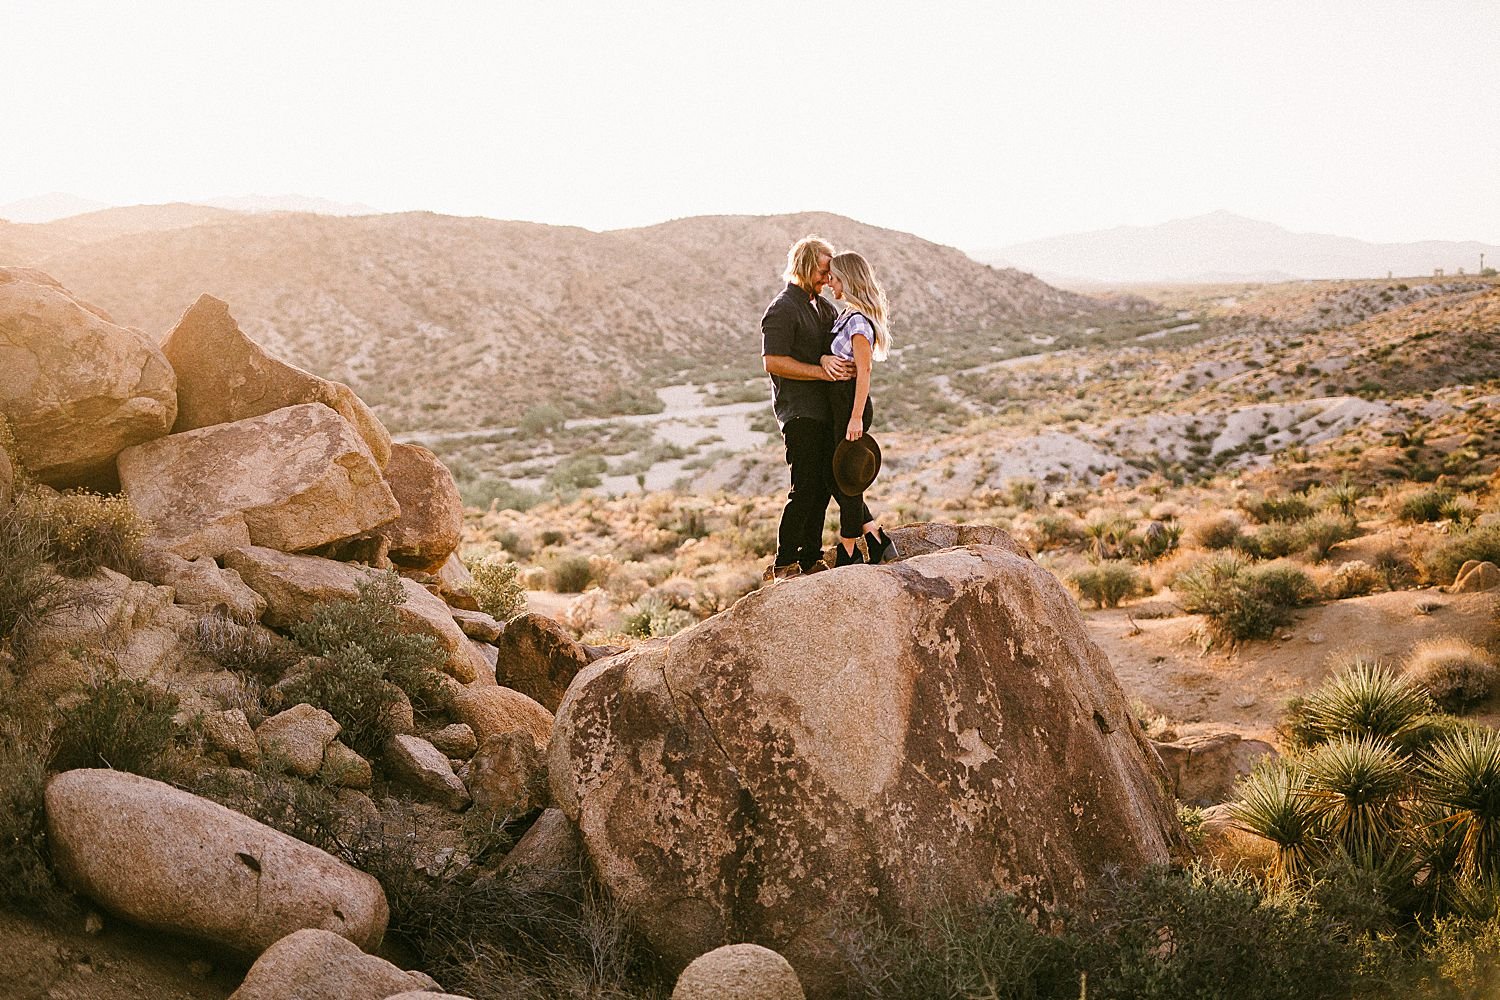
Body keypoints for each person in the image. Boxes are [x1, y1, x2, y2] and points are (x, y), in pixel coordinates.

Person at [760, 236, 853, 579]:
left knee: (824, 485)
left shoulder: (824, 307)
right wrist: (819, 370)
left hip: (826, 411)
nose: (827, 278)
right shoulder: (783, 308)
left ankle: (810, 556)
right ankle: (784, 562)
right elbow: (772, 361)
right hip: (799, 411)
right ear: (804, 264)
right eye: (822, 269)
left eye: (830, 273)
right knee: (805, 487)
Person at [826, 251, 896, 566]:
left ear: (847, 280)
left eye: (835, 278)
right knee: (837, 477)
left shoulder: (857, 320)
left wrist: (854, 417)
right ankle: (876, 537)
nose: (829, 283)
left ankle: (849, 550)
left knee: (846, 479)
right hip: (840, 403)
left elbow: (864, 371)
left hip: (849, 404)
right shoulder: (847, 314)